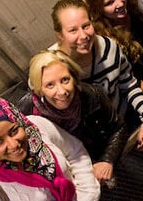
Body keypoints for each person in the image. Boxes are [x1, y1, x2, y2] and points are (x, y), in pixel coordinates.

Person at [50, 0, 143, 150]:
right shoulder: (49, 67)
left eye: (86, 26)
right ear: (59, 34)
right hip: (87, 145)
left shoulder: (108, 47)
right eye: (73, 30)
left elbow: (128, 85)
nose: (83, 35)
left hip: (123, 123)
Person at [25, 50, 126, 183]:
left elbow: (118, 128)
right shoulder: (28, 115)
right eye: (50, 85)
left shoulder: (92, 95)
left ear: (74, 78)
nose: (62, 92)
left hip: (97, 163)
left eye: (65, 80)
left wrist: (107, 160)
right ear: (39, 89)